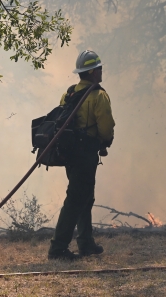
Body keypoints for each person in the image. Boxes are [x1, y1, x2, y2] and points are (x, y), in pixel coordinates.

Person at [48, 50, 115, 261]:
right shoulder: (98, 95)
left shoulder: (68, 93)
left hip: (69, 154)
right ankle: (57, 249)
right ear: (93, 72)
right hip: (86, 154)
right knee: (76, 199)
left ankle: (86, 244)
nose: (102, 71)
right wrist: (105, 142)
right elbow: (106, 125)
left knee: (85, 197)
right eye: (100, 68)